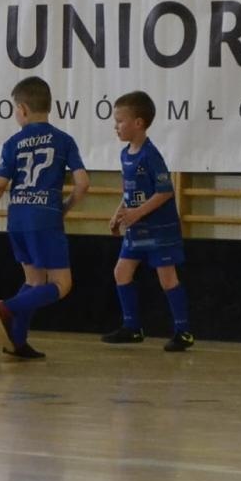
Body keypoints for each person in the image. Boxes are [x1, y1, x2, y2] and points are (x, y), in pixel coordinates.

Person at [0, 76, 89, 360]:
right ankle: (7, 307)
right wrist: (66, 206)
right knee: (61, 284)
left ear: (22, 109)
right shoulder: (63, 140)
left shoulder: (13, 142)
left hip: (17, 218)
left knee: (35, 282)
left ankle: (17, 342)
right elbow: (83, 183)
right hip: (45, 217)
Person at [101, 91, 193, 352]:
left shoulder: (150, 155)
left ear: (138, 123)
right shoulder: (125, 154)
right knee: (121, 272)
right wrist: (119, 213)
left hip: (158, 229)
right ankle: (132, 327)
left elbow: (165, 192)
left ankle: (183, 331)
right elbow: (129, 191)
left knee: (167, 278)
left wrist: (136, 213)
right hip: (135, 227)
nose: (115, 126)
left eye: (119, 121)